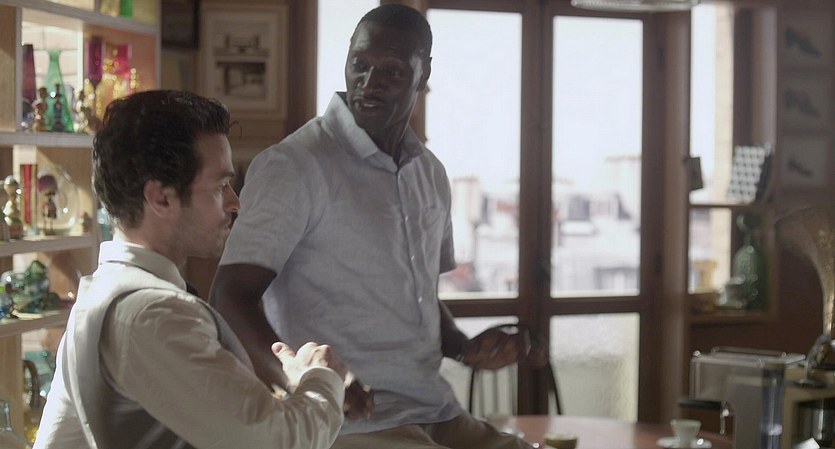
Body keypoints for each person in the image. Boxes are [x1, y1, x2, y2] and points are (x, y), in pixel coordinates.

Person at [210, 4, 541, 449]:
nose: (369, 82)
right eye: (360, 64)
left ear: (424, 75)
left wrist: (465, 347)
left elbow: (416, 294)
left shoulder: (429, 173)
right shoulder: (294, 166)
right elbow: (229, 295)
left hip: (435, 408)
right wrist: (302, 378)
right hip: (347, 422)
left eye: (392, 71)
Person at [34, 90, 347, 449]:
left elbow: (59, 440)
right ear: (161, 198)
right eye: (220, 186)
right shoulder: (153, 315)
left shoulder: (100, 294)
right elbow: (277, 442)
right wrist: (321, 379)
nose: (236, 203)